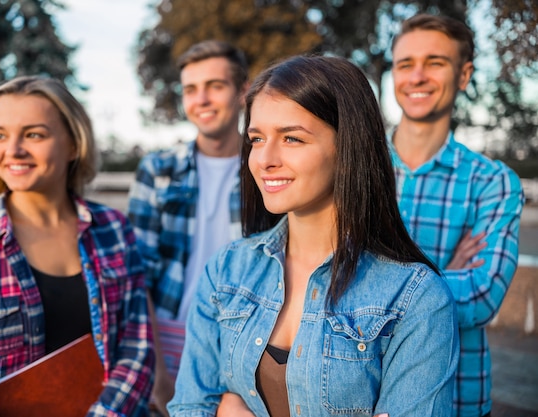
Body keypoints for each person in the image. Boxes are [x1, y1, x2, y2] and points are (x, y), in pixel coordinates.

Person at [168, 55, 459, 417]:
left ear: (349, 146)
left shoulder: (415, 297)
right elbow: (189, 407)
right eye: (257, 139)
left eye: (292, 138)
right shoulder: (226, 270)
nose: (264, 159)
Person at [0, 75, 154, 417]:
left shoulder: (113, 229)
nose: (13, 150)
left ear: (73, 144)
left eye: (34, 134)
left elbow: (137, 348)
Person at [389, 14, 525, 417]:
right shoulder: (349, 168)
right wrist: (439, 274)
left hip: (455, 396)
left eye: (435, 62)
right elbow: (320, 276)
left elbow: (482, 297)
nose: (417, 76)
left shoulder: (494, 182)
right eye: (405, 64)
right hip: (358, 393)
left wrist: (370, 278)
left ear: (464, 76)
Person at [127, 40, 248, 415]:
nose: (202, 100)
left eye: (215, 86)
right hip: (167, 337)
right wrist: (157, 370)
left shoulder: (265, 169)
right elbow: (137, 275)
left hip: (239, 340)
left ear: (243, 91)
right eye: (191, 89)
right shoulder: (158, 170)